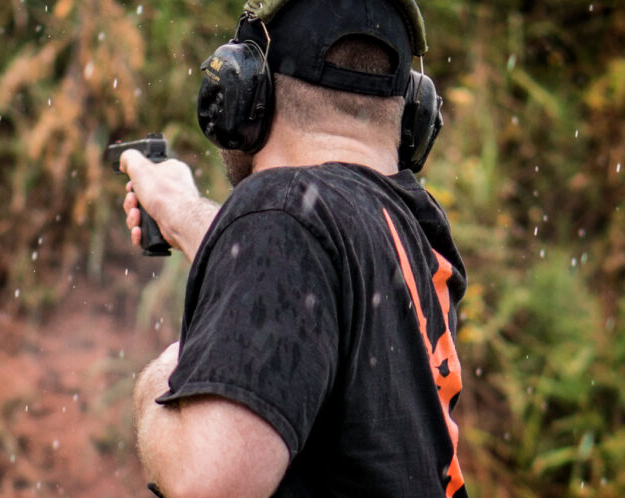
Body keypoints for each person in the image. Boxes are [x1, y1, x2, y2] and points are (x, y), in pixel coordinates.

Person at [121, 0, 468, 496]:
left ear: (241, 91)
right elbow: (307, 278)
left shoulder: (282, 217)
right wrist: (181, 211)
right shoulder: (413, 231)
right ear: (415, 112)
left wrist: (160, 380)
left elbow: (211, 486)